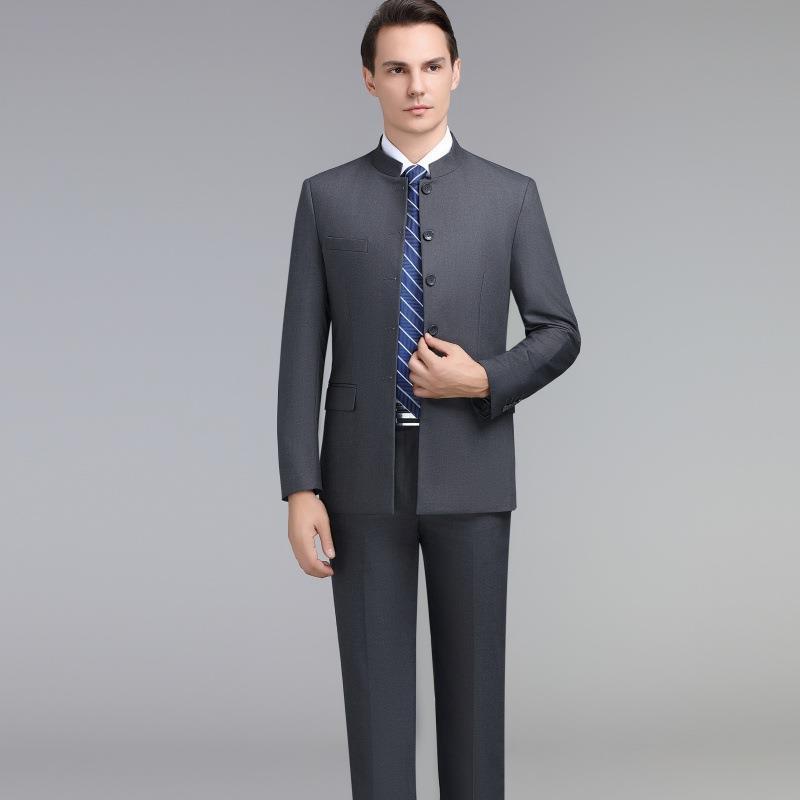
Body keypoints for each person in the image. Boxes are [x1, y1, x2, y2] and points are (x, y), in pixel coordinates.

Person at [277, 1, 580, 797]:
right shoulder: (326, 198)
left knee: (474, 714)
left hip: (472, 476)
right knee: (376, 714)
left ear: (456, 73)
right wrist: (300, 488)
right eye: (398, 69)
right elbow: (301, 353)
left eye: (432, 67)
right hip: (358, 483)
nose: (417, 86)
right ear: (369, 80)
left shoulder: (510, 196)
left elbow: (559, 332)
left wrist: (482, 379)